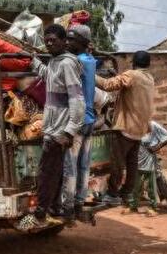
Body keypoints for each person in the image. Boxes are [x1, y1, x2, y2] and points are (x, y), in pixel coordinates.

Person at [16, 24, 85, 230]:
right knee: (54, 171)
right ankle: (53, 208)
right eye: (47, 41)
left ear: (64, 41)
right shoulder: (55, 62)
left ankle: (40, 213)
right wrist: (33, 60)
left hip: (60, 129)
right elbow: (48, 76)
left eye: (53, 40)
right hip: (52, 127)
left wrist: (70, 130)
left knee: (47, 172)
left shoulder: (67, 64)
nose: (49, 44)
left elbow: (77, 99)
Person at [96, 51, 155, 205]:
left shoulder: (132, 75)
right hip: (139, 128)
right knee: (131, 163)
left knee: (117, 162)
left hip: (126, 127)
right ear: (147, 64)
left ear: (134, 63)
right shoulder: (149, 78)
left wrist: (89, 74)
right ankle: (127, 193)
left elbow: (108, 85)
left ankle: (112, 193)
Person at [61, 24, 96, 222]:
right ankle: (80, 202)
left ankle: (68, 206)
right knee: (84, 165)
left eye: (71, 39)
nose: (67, 42)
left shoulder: (76, 62)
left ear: (82, 42)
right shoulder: (90, 60)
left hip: (78, 121)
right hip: (90, 120)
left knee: (70, 166)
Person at [124, 121, 167, 217]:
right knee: (136, 185)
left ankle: (153, 207)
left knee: (151, 186)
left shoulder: (152, 125)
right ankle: (133, 206)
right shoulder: (133, 125)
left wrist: (156, 147)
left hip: (149, 160)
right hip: (137, 160)